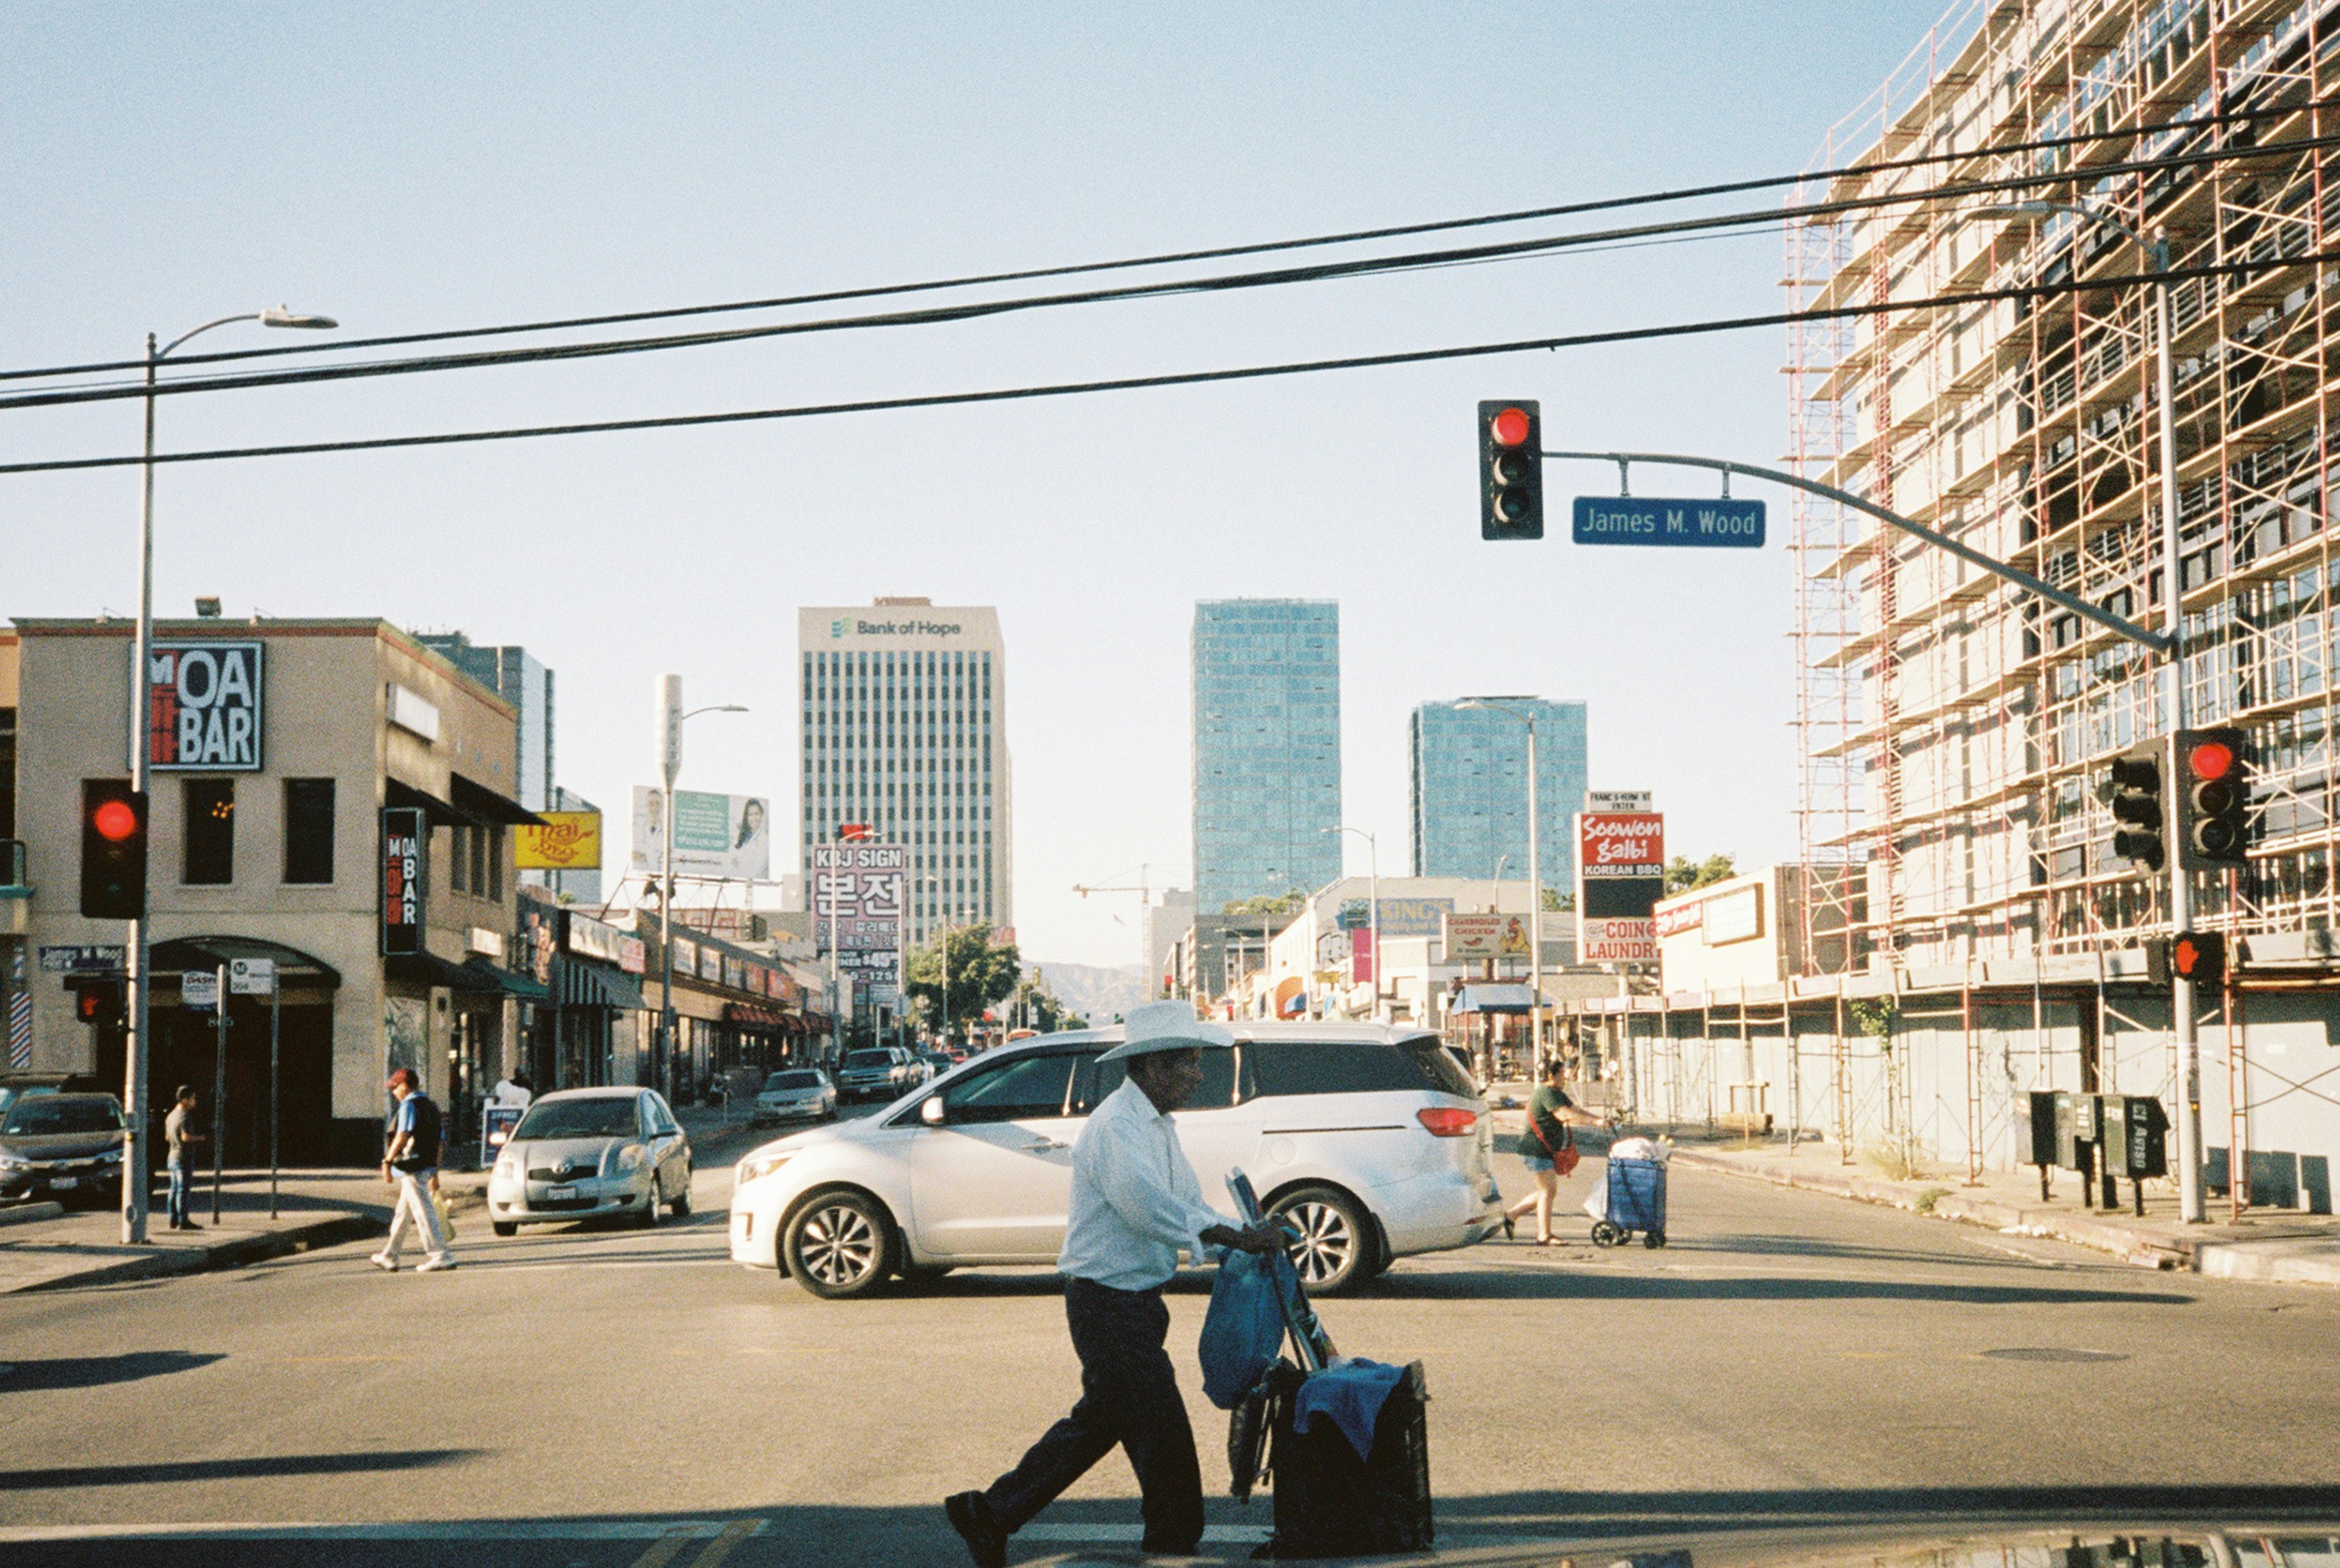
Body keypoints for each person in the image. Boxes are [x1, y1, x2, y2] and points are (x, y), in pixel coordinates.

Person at [945, 1002, 1283, 1568]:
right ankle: (1172, 1540)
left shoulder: (1156, 1125)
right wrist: (1239, 1239)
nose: (1199, 1075)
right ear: (1153, 1067)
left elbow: (1184, 1203)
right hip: (1107, 1301)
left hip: (1134, 1301)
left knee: (1102, 1421)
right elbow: (1147, 1208)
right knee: (1163, 1430)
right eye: (1189, 1064)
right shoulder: (1117, 1127)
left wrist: (1236, 1236)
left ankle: (990, 1512)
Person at [1503, 1058, 1611, 1245]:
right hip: (1535, 1148)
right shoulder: (1546, 1094)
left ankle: (1511, 1215)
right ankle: (1544, 1235)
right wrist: (1595, 1123)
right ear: (1552, 1076)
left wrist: (1600, 1119)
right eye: (1562, 1073)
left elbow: (1575, 1109)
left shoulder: (1557, 1093)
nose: (1566, 1076)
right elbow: (1565, 1115)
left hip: (1543, 1149)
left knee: (1546, 1191)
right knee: (1548, 1190)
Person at [373, 1068, 456, 1273]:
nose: (394, 1093)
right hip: (426, 1165)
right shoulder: (432, 1106)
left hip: (412, 1167)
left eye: (395, 1088)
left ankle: (440, 1255)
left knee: (422, 1210)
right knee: (403, 1212)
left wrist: (387, 1160)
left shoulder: (409, 1104)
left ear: (405, 1086)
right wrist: (435, 1174)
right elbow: (439, 1142)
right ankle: (389, 1255)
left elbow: (402, 1135)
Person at [163, 1084, 204, 1231]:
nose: (195, 1101)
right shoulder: (185, 1116)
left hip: (172, 1155)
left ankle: (172, 1219)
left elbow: (167, 1137)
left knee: (173, 1188)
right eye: (193, 1098)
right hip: (183, 1156)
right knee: (183, 1189)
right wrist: (199, 1138)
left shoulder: (171, 1116)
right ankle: (183, 1221)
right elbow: (186, 1137)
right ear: (185, 1100)